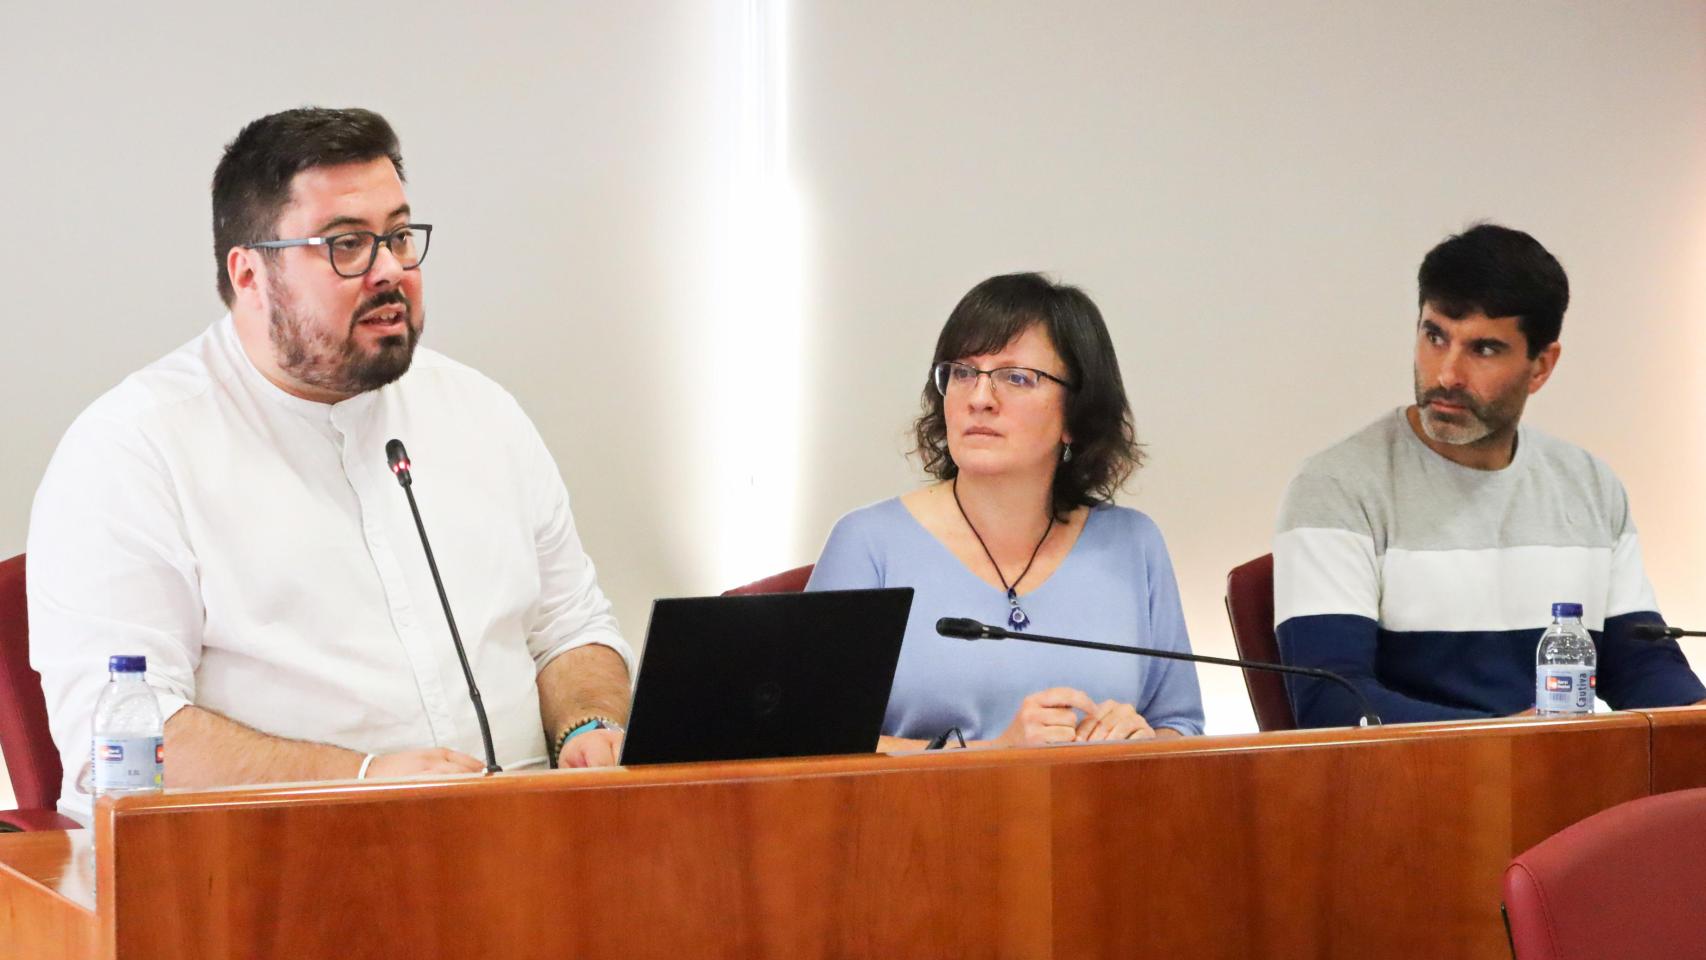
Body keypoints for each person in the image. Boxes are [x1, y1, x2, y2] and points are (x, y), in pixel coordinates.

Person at [29, 108, 634, 819]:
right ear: (249, 273)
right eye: (347, 245)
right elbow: (124, 735)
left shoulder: (481, 411)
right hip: (274, 868)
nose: (390, 271)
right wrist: (361, 779)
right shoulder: (133, 450)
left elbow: (571, 628)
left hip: (524, 841)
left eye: (400, 236)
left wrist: (588, 723)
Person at [1274, 223, 1705, 727]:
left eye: (1482, 349)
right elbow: (1334, 704)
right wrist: (1508, 743)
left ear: (1542, 365)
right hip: (1411, 793)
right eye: (1434, 336)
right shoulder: (1337, 487)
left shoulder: (1589, 485)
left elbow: (1642, 665)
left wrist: (1696, 718)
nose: (1446, 375)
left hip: (1562, 780)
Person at [808, 273, 1204, 748]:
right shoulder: (870, 544)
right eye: (963, 373)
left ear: (1075, 416)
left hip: (1096, 817)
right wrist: (993, 755)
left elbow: (1181, 726)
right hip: (920, 820)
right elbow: (812, 741)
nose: (979, 398)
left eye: (1017, 378)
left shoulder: (1133, 544)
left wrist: (1138, 741)